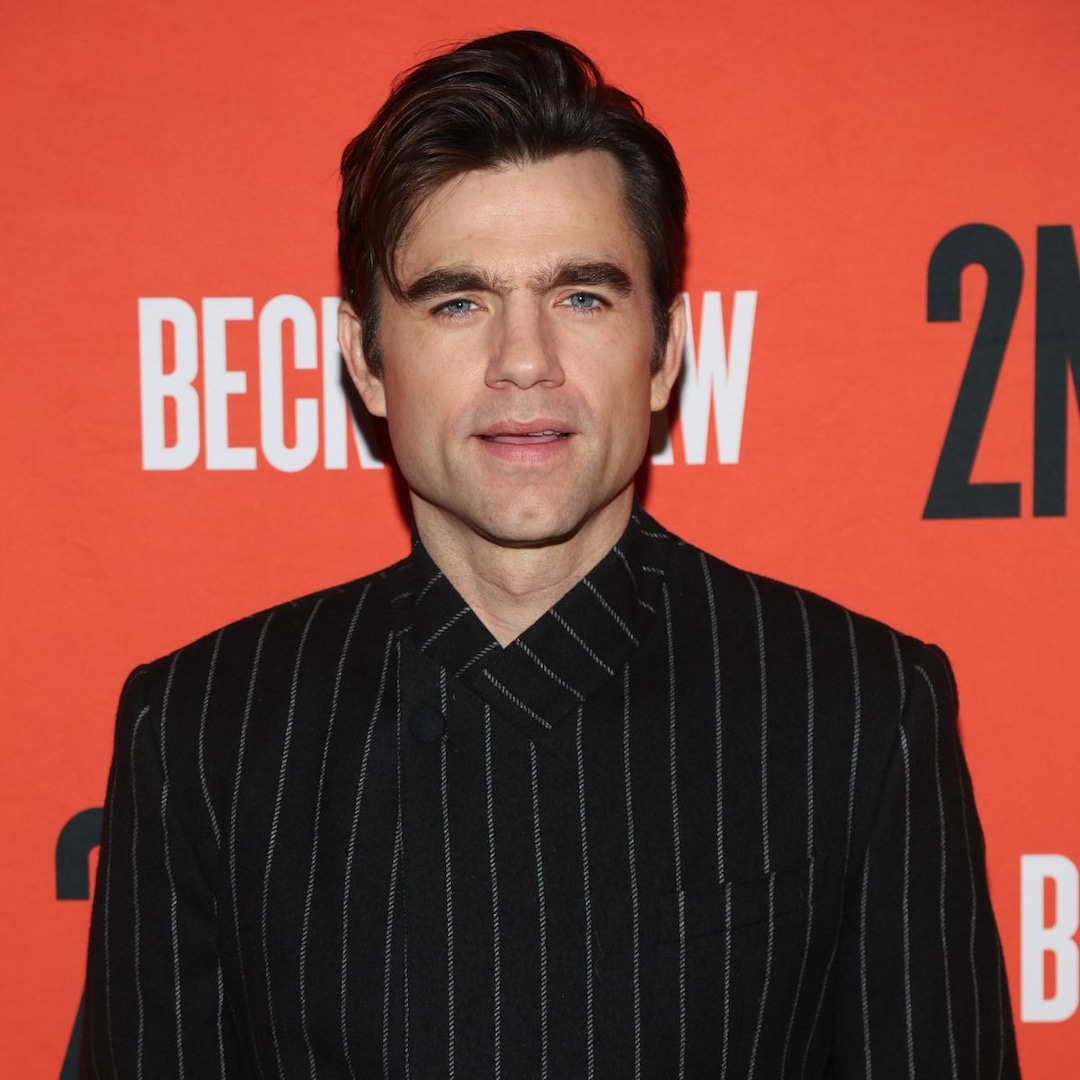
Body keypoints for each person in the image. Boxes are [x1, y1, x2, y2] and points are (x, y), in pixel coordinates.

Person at [80, 29, 1020, 1078]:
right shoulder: (207, 729)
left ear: (664, 349)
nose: (524, 361)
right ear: (366, 360)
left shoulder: (856, 706)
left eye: (582, 297)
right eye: (458, 302)